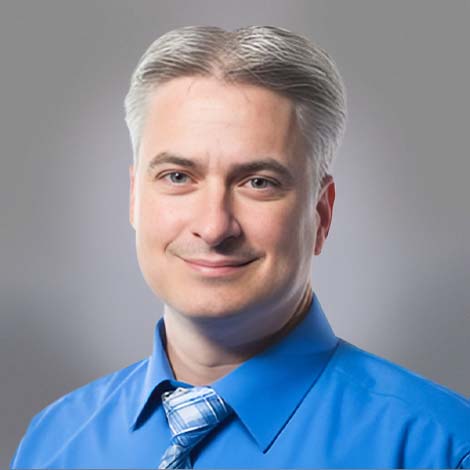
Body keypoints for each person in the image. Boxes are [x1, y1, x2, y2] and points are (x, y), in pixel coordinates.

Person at [11, 25, 469, 469]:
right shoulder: (53, 443)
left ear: (321, 214)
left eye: (258, 182)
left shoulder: (439, 450)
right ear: (134, 198)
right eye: (177, 177)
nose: (214, 227)